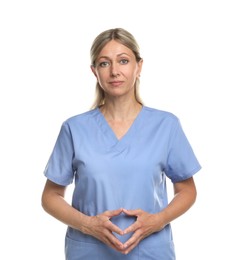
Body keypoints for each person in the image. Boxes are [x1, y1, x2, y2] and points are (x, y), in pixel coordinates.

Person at [41, 28, 201, 260]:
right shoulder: (74, 128)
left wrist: (158, 221)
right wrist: (88, 225)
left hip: (150, 251)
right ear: (94, 71)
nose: (115, 71)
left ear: (139, 66)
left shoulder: (166, 125)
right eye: (104, 63)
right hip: (89, 251)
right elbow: (50, 196)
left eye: (123, 61)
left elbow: (187, 190)